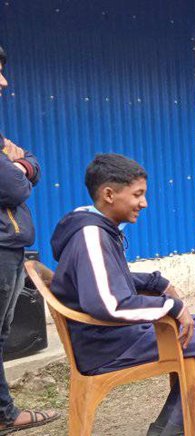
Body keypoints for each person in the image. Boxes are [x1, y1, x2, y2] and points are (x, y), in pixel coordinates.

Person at [50, 154, 195, 436]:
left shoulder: (95, 227)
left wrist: (156, 281)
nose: (144, 203)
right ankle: (183, 429)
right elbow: (109, 304)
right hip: (110, 344)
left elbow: (112, 279)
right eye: (138, 194)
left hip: (119, 335)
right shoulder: (90, 236)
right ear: (109, 194)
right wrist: (170, 306)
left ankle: (171, 427)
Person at [0, 44, 61, 434]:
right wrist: (18, 166)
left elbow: (27, 165)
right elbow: (14, 187)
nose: (3, 81)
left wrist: (20, 161)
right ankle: (4, 415)